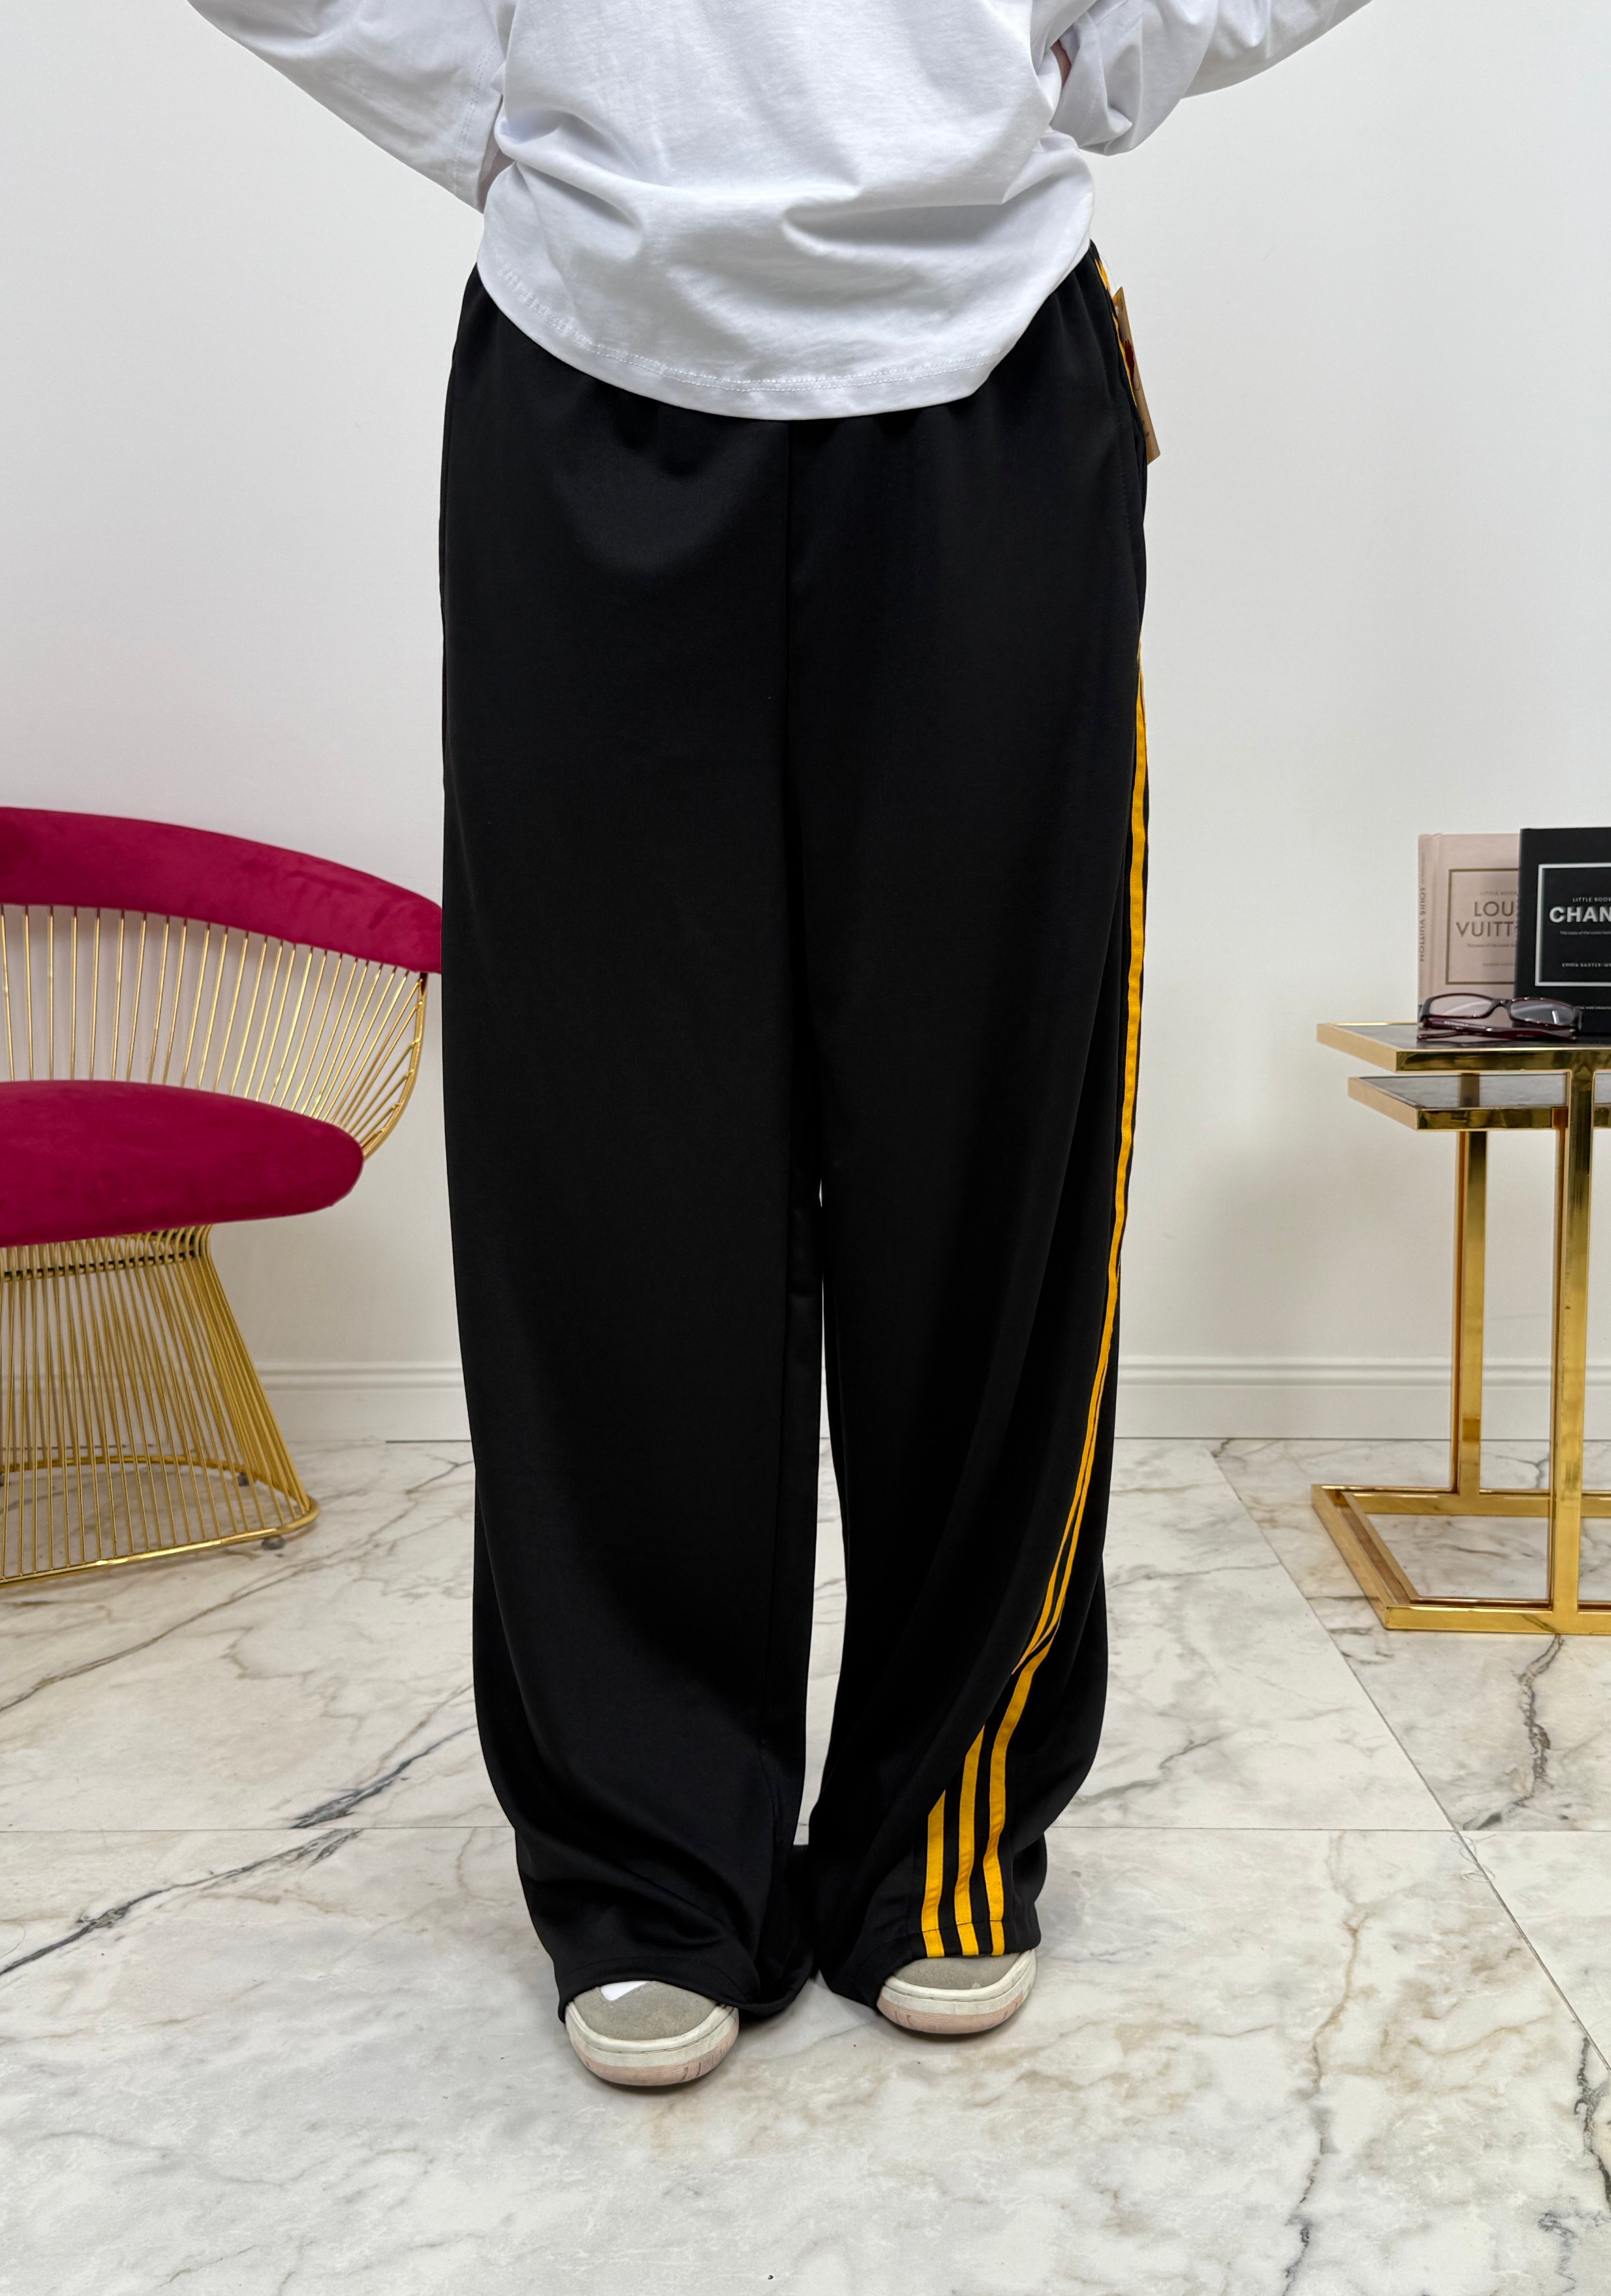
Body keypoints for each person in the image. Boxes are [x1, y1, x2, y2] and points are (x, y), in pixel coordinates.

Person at [189, 0, 1370, 2087]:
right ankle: (652, 1861)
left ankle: (947, 1822)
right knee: (612, 1154)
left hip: (988, 362)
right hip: (588, 358)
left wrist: (1114, 46)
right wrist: (513, 109)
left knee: (988, 1132)